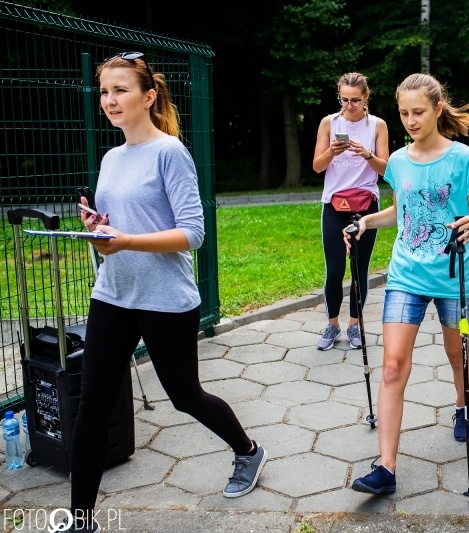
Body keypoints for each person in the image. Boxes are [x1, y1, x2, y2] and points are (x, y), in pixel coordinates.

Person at [69, 52, 265, 532]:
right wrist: (99, 232)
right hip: (113, 293)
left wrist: (127, 240)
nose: (110, 100)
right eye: (105, 92)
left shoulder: (170, 152)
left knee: (185, 396)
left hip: (165, 299)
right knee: (92, 403)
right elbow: (118, 237)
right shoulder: (112, 157)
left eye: (121, 90)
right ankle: (80, 521)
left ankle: (249, 451)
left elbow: (193, 233)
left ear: (149, 96)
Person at [345, 73, 469, 494]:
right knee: (392, 366)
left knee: (456, 352)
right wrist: (366, 221)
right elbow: (400, 210)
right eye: (404, 113)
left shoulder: (463, 158)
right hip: (406, 274)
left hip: (453, 277)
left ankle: (464, 405)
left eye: (418, 112)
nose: (410, 120)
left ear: (437, 110)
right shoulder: (398, 161)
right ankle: (385, 467)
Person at [312, 72, 389, 351]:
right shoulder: (329, 123)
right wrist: (333, 151)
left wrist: (367, 155)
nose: (349, 105)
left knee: (359, 269)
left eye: (355, 100)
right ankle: (332, 325)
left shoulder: (377, 125)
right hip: (334, 204)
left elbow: (386, 170)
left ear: (366, 97)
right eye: (343, 99)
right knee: (334, 270)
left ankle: (355, 325)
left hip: (366, 205)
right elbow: (317, 166)